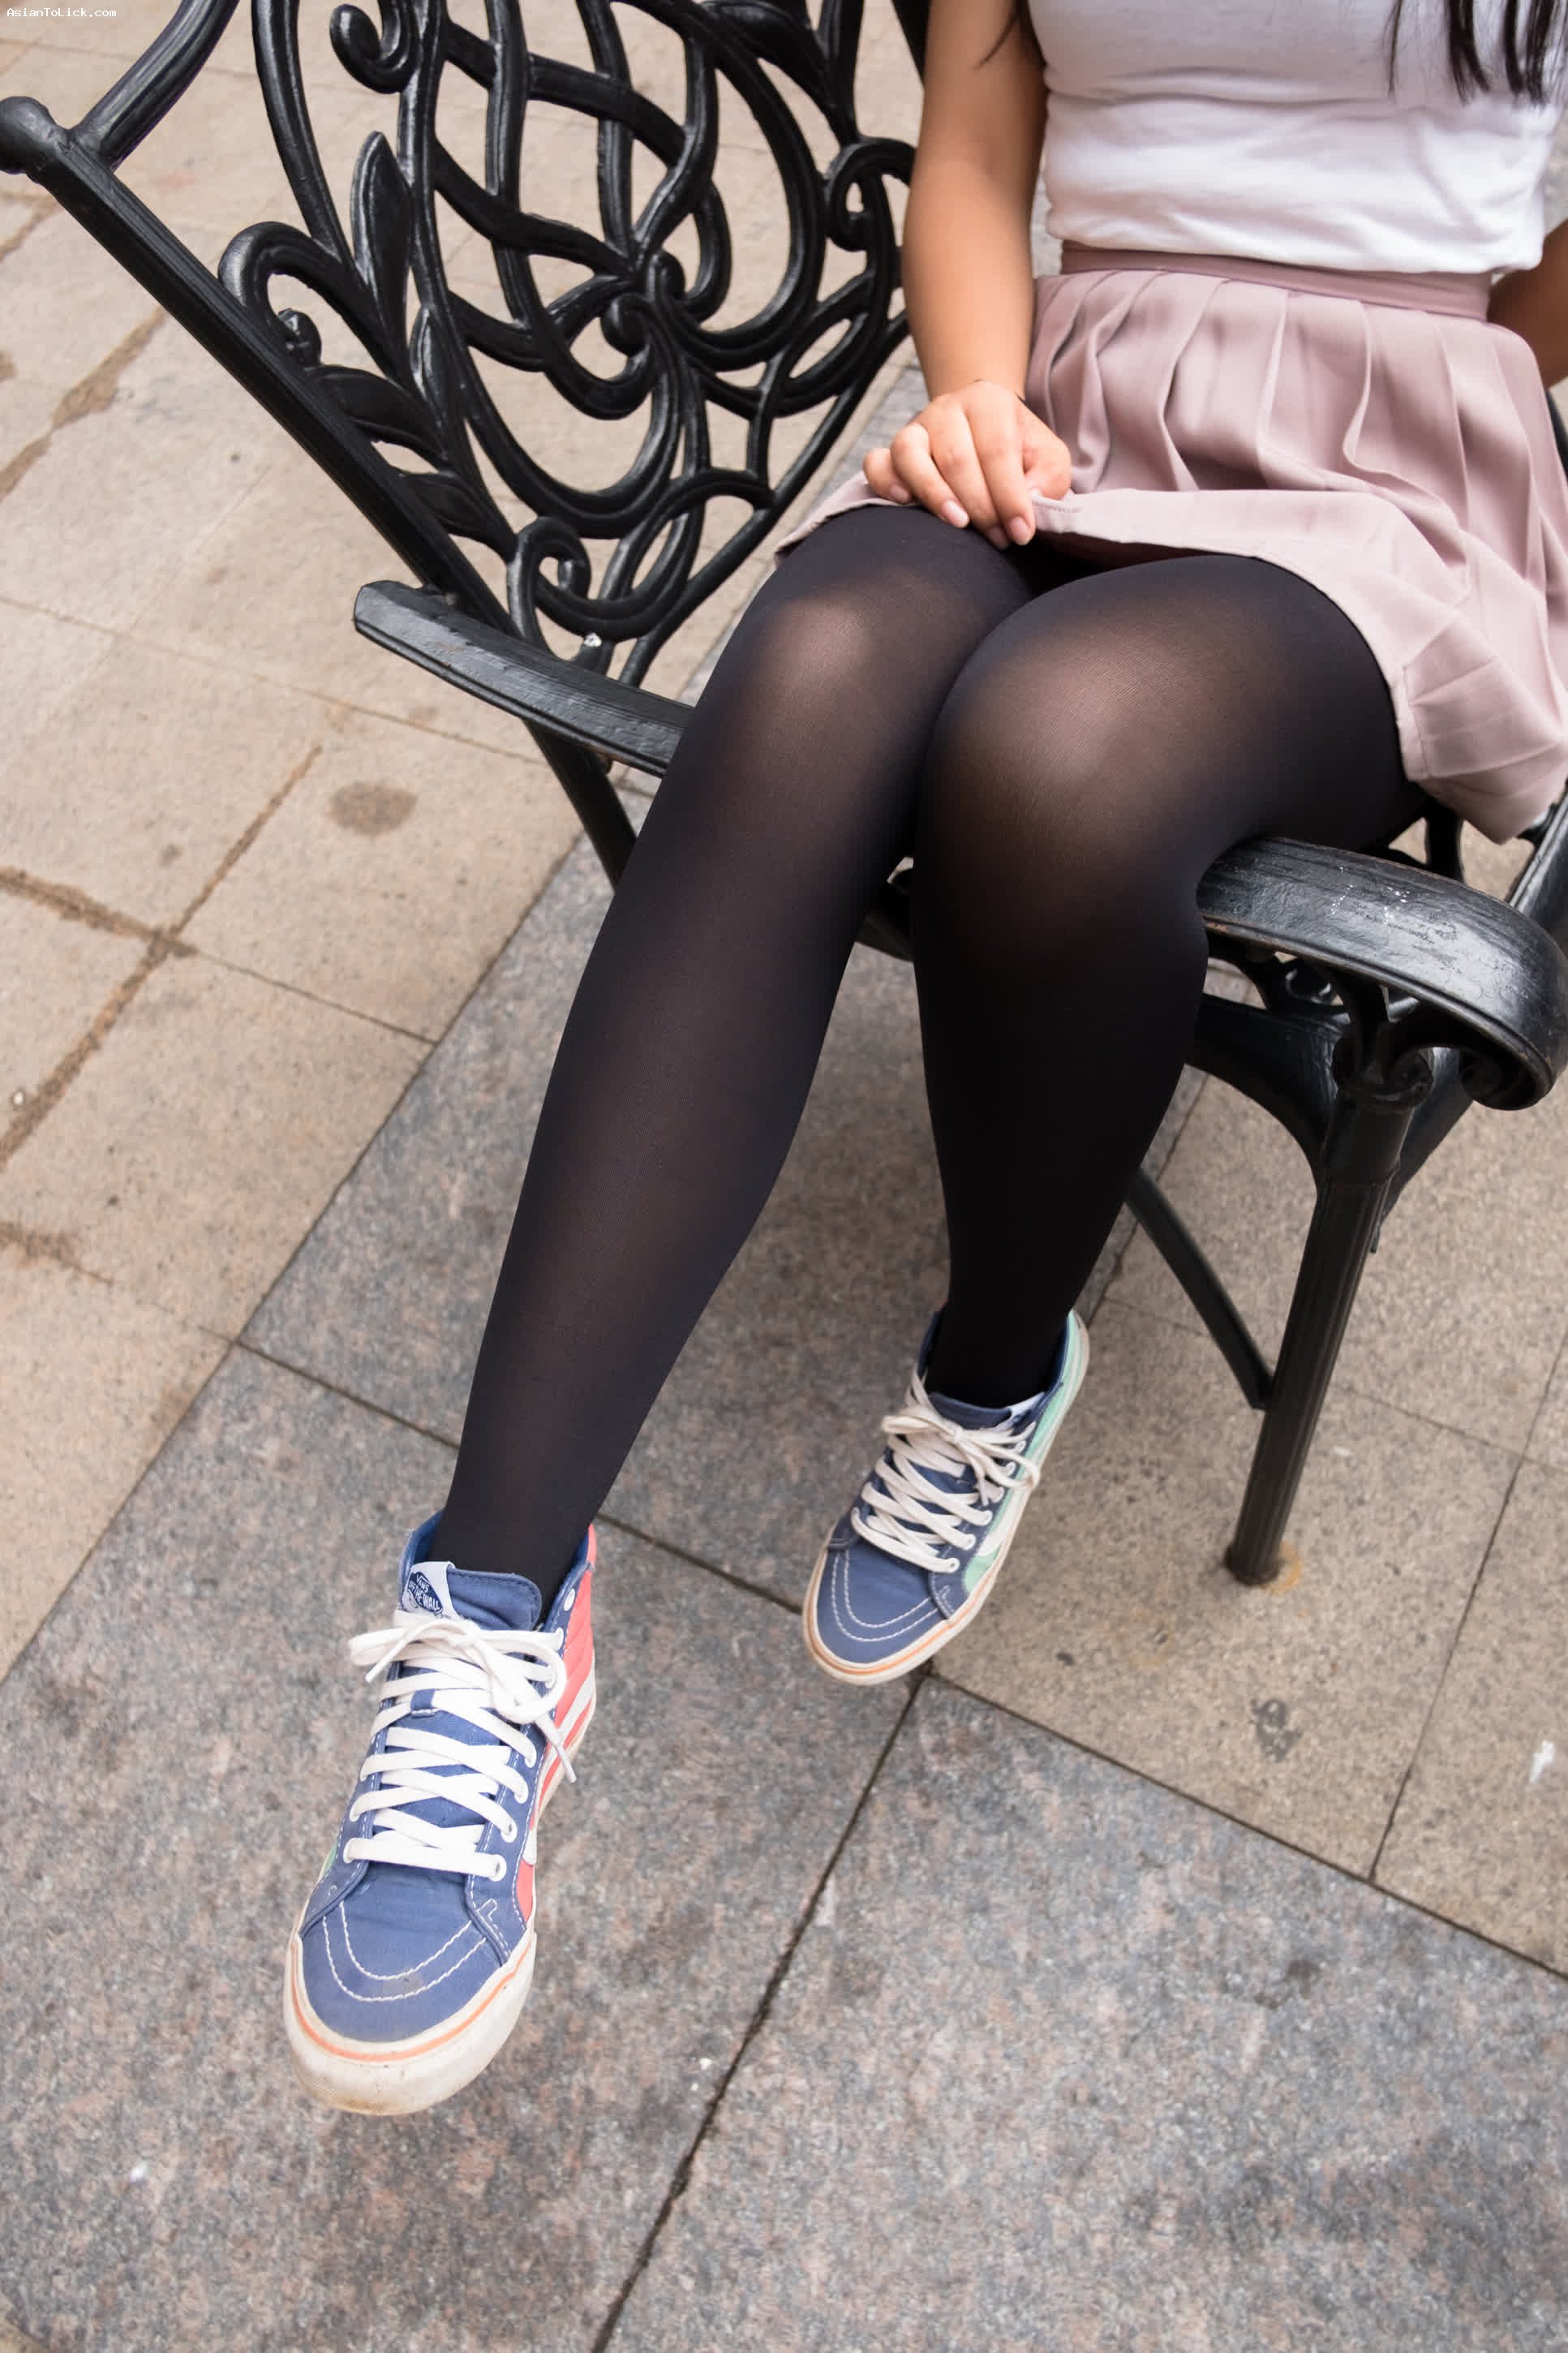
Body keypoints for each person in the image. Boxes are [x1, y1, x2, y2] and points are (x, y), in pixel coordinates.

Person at [282, 0, 1568, 2113]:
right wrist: (976, 392)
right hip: (1068, 385)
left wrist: (1466, 366)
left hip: (1389, 462)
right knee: (811, 667)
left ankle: (993, 1365)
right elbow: (974, 141)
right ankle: (496, 1607)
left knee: (1052, 757)